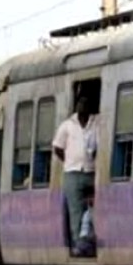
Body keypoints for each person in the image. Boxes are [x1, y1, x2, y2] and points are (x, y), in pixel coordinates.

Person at [52, 94, 97, 254]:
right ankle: (79, 244)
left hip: (92, 171)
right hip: (72, 172)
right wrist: (69, 161)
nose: (83, 105)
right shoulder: (67, 125)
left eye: (86, 102)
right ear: (76, 105)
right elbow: (57, 147)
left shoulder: (96, 123)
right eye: (80, 102)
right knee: (76, 210)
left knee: (95, 206)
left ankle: (91, 238)